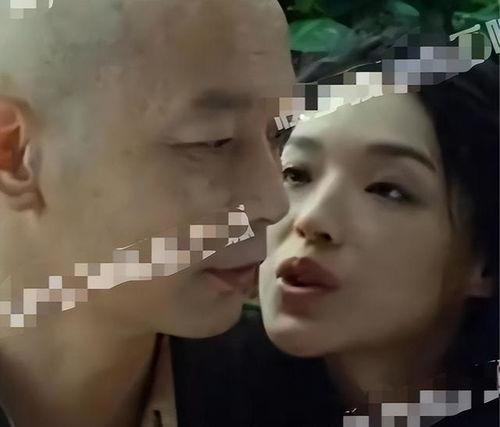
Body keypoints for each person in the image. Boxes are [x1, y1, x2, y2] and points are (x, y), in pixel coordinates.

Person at [0, 0, 296, 425]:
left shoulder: (302, 395)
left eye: (276, 136)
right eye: (212, 142)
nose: (275, 201)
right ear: (14, 154)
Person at [259, 60, 499, 426]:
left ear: (485, 262)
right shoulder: (198, 387)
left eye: (388, 190)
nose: (312, 219)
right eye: (296, 174)